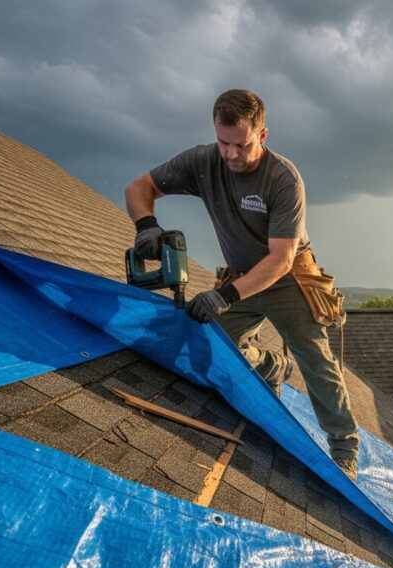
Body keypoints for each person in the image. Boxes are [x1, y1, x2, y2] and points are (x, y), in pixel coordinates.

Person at [123, 89, 360, 480]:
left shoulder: (283, 179)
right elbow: (138, 188)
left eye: (242, 145)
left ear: (262, 136)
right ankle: (271, 365)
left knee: (316, 362)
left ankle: (345, 450)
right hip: (240, 273)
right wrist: (146, 225)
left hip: (287, 279)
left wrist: (224, 295)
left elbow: (281, 259)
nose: (230, 154)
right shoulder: (203, 161)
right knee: (213, 346)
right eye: (223, 142)